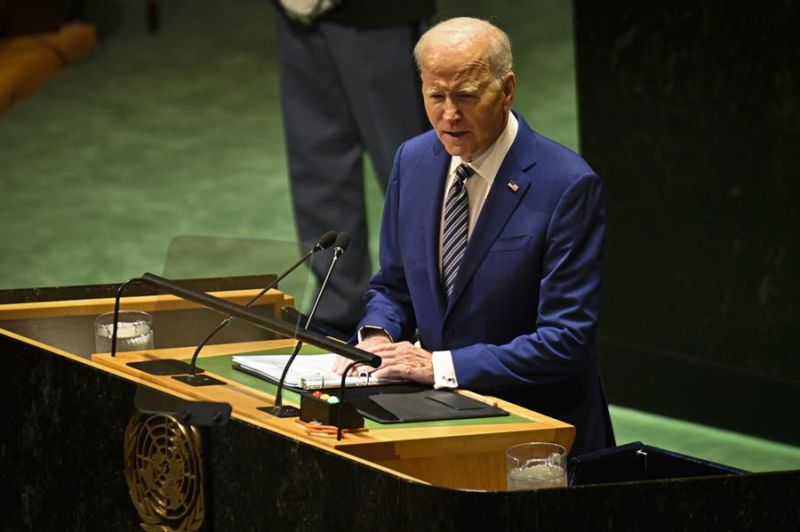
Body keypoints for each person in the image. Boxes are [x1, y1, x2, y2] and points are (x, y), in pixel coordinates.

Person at [338, 17, 615, 456]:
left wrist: (440, 367)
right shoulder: (413, 160)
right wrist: (378, 339)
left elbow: (566, 340)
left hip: (536, 434)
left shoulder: (567, 185)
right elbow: (394, 285)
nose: (449, 114)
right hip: (434, 423)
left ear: (506, 89)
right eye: (435, 95)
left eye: (466, 96)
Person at [274, 1, 435, 337]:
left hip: (380, 17)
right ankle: (338, 310)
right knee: (319, 164)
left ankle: (434, 310)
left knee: (417, 168)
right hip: (299, 15)